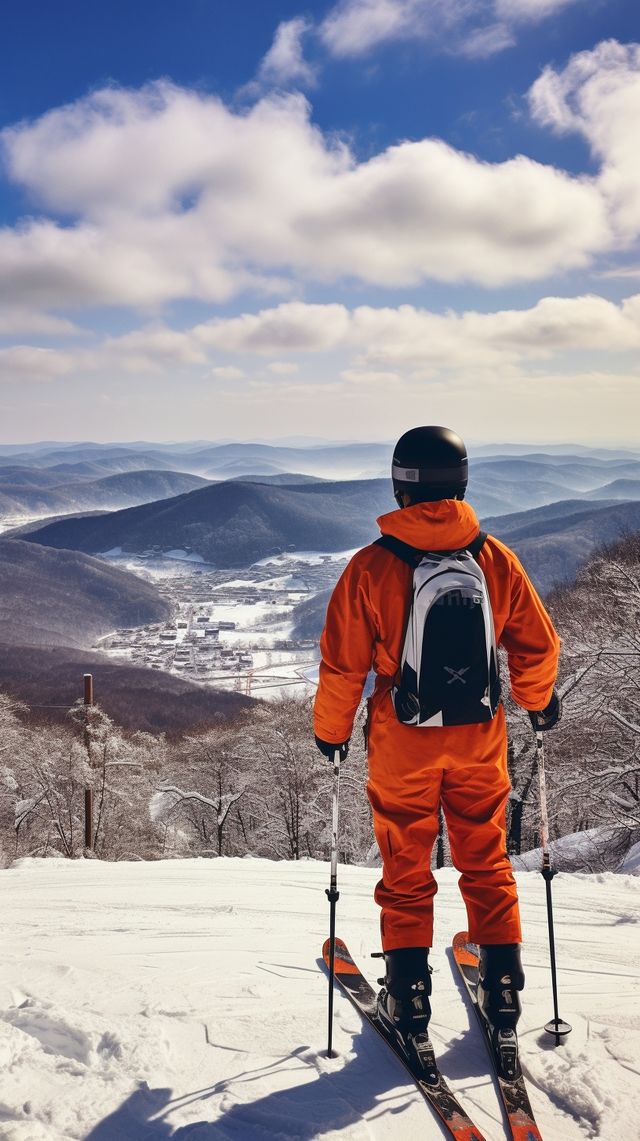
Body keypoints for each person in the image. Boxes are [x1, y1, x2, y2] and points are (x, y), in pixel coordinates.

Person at [313, 425, 561, 1049]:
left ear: (399, 485)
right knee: (485, 855)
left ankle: (409, 995)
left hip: (404, 739)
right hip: (479, 734)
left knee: (406, 862)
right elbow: (536, 645)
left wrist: (332, 733)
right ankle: (503, 990)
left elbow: (344, 665)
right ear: (463, 481)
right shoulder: (494, 559)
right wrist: (537, 703)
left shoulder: (371, 567)